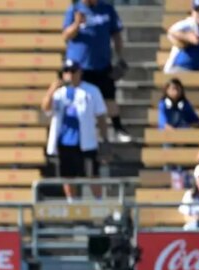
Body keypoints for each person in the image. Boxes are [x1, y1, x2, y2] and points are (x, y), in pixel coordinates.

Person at [61, 0, 131, 143]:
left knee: (109, 99)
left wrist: (120, 57)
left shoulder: (107, 9)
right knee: (79, 101)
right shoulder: (74, 9)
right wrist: (76, 24)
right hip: (80, 67)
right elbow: (66, 36)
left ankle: (117, 128)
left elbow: (116, 34)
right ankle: (78, 132)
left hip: (102, 64)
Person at [41, 59, 108, 201]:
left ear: (79, 72)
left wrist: (104, 138)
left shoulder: (91, 91)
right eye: (66, 71)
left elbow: (101, 115)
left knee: (92, 174)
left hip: (86, 141)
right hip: (65, 141)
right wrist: (51, 91)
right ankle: (72, 203)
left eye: (72, 71)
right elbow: (46, 108)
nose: (69, 75)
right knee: (68, 175)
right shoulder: (59, 94)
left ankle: (99, 202)